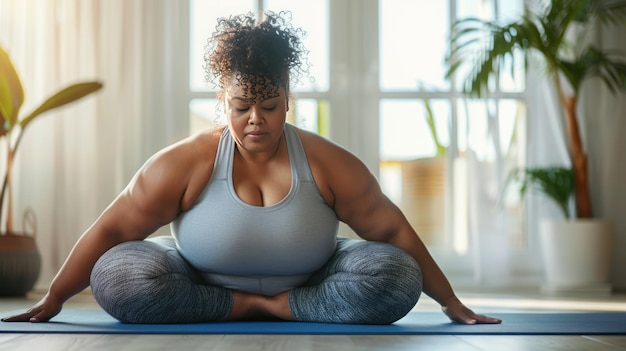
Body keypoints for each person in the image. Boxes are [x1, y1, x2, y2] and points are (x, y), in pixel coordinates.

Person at [2, 11, 501, 325]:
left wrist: (451, 303)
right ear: (224, 100)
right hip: (199, 279)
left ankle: (282, 306)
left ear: (288, 99)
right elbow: (113, 227)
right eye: (241, 106)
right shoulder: (187, 162)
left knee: (396, 277)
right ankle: (247, 307)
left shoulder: (327, 162)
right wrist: (55, 299)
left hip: (313, 279)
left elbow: (392, 229)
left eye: (269, 104)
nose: (255, 119)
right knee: (118, 277)